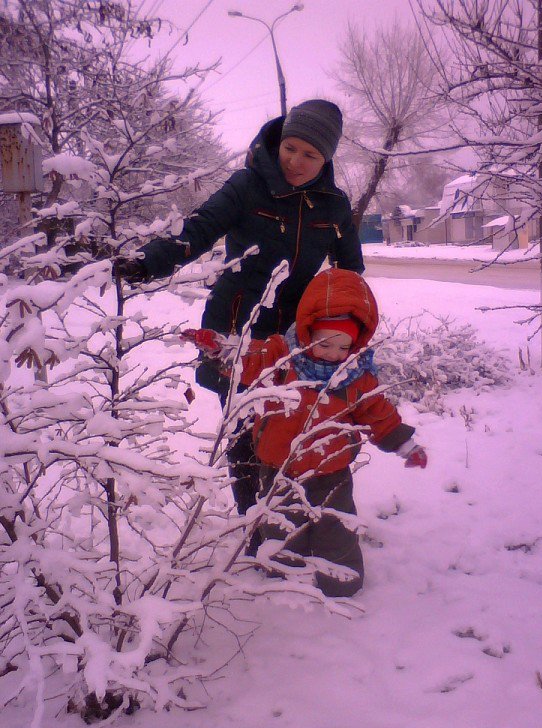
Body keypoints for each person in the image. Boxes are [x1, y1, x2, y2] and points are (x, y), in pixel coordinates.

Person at [114, 100, 364, 548]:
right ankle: (255, 529)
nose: (296, 162)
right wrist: (147, 262)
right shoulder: (248, 185)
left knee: (297, 425)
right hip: (238, 330)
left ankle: (297, 521)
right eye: (290, 148)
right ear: (279, 141)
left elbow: (350, 273)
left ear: (326, 159)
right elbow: (198, 230)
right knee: (249, 430)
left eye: (310, 154)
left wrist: (348, 324)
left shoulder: (334, 204)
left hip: (299, 338)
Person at [182, 268, 428, 598]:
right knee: (281, 526)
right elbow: (247, 357)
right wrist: (219, 348)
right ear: (309, 331)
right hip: (278, 468)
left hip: (332, 472)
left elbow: (379, 414)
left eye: (344, 346)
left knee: (335, 527)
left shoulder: (355, 375)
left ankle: (340, 581)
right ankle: (282, 578)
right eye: (326, 343)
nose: (334, 354)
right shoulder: (281, 356)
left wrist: (406, 445)